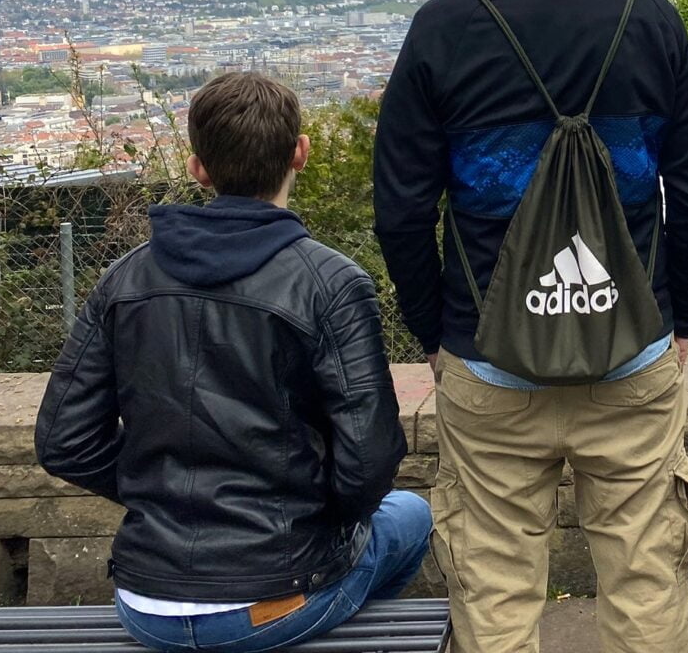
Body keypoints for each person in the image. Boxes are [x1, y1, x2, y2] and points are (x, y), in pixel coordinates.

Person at [374, 0, 688, 653]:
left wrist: (435, 334)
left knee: (493, 594)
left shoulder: (445, 29)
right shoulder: (653, 21)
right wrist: (683, 319)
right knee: (645, 584)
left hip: (489, 360)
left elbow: (402, 208)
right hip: (630, 348)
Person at [35, 71, 431, 653]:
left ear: (198, 168)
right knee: (411, 516)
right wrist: (315, 515)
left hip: (147, 602)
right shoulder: (330, 282)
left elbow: (64, 442)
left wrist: (160, 495)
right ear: (300, 153)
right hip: (278, 597)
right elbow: (368, 458)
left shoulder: (125, 279)